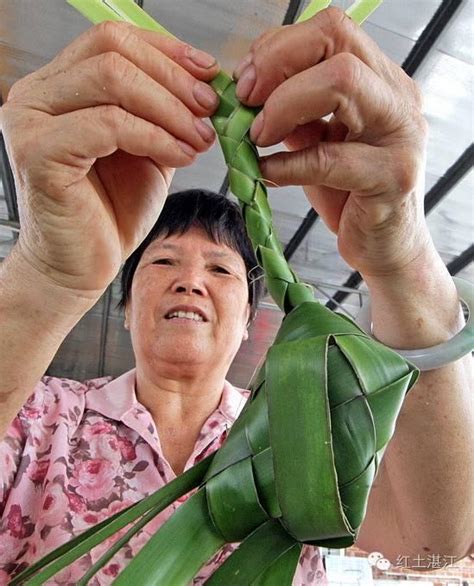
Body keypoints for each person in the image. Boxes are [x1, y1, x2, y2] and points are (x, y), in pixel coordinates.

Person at [0, 7, 472, 584]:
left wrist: (404, 260)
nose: (190, 280)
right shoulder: (38, 416)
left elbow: (429, 541)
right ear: (123, 309)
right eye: (165, 260)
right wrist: (47, 273)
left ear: (250, 320)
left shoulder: (297, 429)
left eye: (221, 271)